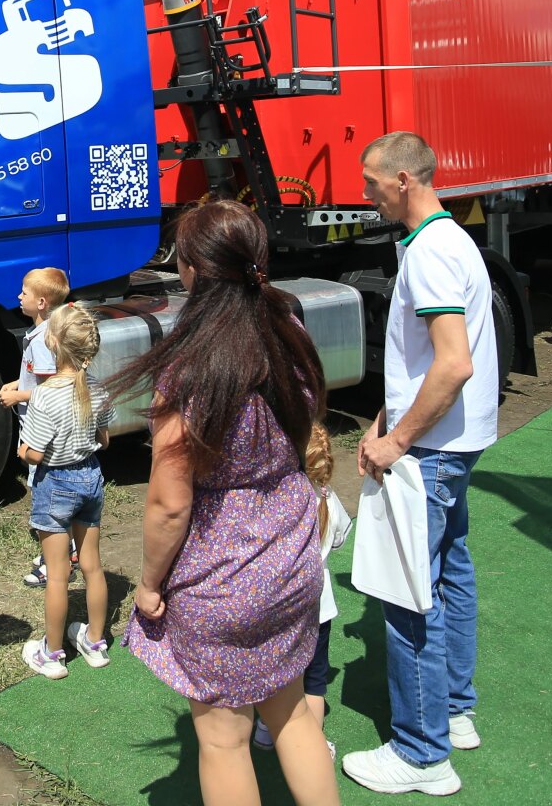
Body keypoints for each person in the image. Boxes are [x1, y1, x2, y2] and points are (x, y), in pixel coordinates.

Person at [113, 199, 339, 806]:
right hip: (292, 556)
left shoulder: (189, 369)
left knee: (222, 740)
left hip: (222, 577)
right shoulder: (289, 334)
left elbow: (169, 504)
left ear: (192, 270)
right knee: (292, 713)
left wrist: (149, 584)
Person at [343, 132, 500, 798]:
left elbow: (453, 363)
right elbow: (428, 360)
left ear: (404, 180)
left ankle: (422, 752)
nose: (366, 193)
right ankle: (454, 712)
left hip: (431, 451)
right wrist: (388, 416)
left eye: (372, 182)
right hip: (456, 443)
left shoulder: (431, 252)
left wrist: (398, 440)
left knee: (409, 594)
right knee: (451, 574)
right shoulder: (448, 239)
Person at [18, 301, 114, 680]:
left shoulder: (44, 395)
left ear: (53, 343)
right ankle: (95, 641)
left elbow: (34, 452)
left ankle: (52, 654)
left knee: (58, 575)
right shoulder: (98, 389)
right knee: (92, 565)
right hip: (90, 477)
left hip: (56, 484)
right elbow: (104, 440)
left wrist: (23, 451)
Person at [254, 423, 353, 759]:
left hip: (280, 605)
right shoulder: (327, 499)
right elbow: (339, 540)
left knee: (275, 670)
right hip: (319, 606)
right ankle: (312, 746)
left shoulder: (276, 500)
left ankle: (266, 729)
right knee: (314, 681)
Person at [0, 266, 71, 589]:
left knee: (46, 496)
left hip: (39, 431)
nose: (19, 296)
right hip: (41, 428)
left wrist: (17, 396)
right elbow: (38, 377)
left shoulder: (43, 340)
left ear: (41, 302)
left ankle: (53, 560)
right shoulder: (44, 332)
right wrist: (18, 382)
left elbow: (49, 388)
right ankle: (67, 549)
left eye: (24, 293)